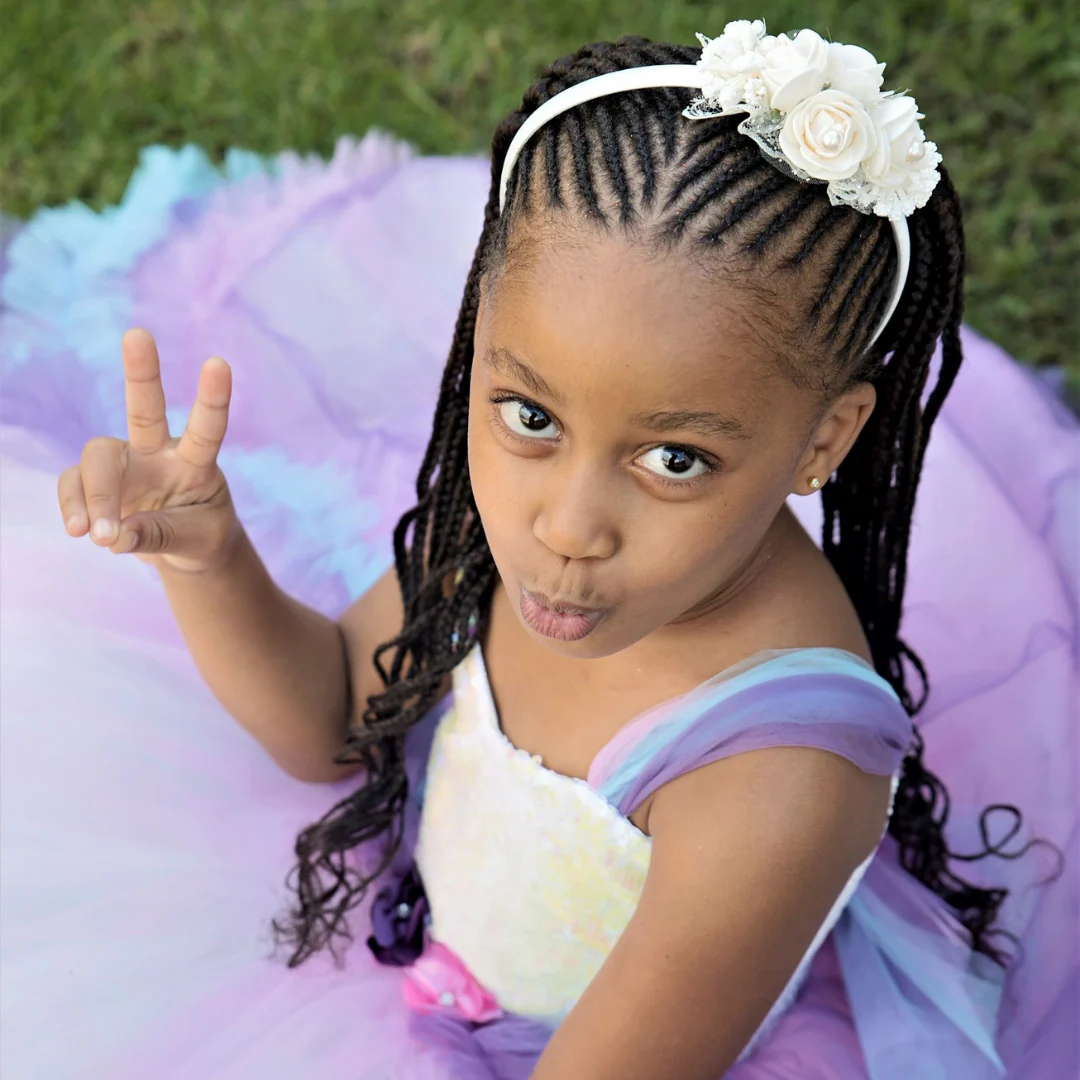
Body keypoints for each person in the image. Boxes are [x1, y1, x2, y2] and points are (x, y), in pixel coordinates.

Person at [1, 21, 1076, 1080]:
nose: (567, 526)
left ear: (823, 442)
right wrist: (209, 559)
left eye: (675, 459)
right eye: (530, 416)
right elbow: (332, 722)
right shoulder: (507, 533)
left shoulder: (774, 778)